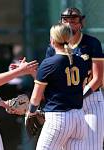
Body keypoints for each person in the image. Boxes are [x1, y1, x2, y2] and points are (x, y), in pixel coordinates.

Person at [45, 8, 104, 150]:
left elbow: (98, 79)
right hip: (66, 103)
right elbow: (48, 80)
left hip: (91, 100)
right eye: (65, 21)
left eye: (74, 21)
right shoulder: (54, 47)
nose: (69, 24)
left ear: (81, 23)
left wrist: (79, 96)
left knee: (92, 146)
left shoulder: (91, 43)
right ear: (61, 22)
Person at [26, 23, 89, 150]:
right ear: (70, 39)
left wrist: (31, 113)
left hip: (58, 118)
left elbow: (36, 97)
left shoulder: (49, 63)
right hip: (79, 118)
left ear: (52, 40)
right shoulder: (81, 61)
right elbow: (81, 89)